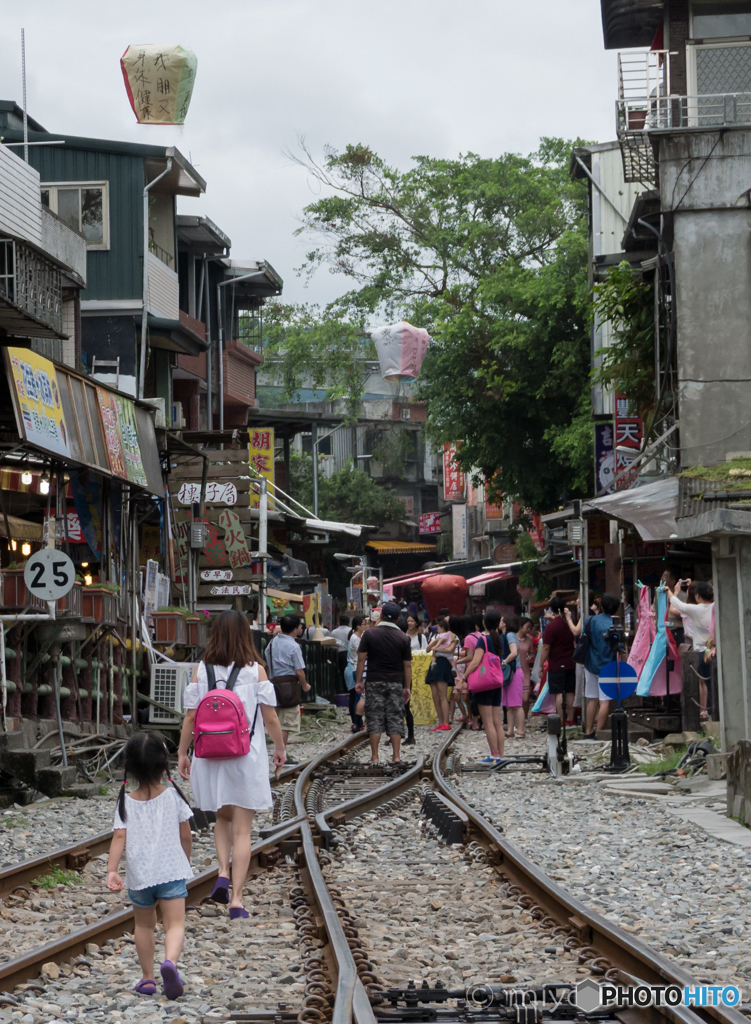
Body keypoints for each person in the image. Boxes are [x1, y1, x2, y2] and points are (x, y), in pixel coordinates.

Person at [178, 611, 285, 918]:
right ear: (244, 635)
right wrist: (279, 748)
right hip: (245, 756)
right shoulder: (256, 671)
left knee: (221, 819)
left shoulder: (202, 669)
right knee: (243, 830)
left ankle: (222, 871)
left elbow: (189, 715)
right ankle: (237, 900)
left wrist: (183, 752)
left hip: (209, 756)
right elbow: (270, 716)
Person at [107, 733, 193, 1000]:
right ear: (163, 766)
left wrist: (112, 870)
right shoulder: (173, 797)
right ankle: (170, 962)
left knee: (143, 926)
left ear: (130, 768)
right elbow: (186, 835)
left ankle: (147, 979)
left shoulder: (125, 801)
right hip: (170, 871)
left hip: (140, 876)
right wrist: (185, 861)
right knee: (175, 924)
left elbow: (119, 837)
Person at [356, 601, 412, 763]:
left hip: (374, 680)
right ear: (397, 618)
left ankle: (374, 756)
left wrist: (359, 680)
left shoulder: (369, 634)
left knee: (374, 716)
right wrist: (406, 686)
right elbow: (407, 665)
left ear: (381, 616)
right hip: (395, 681)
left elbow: (361, 659)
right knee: (395, 717)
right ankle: (396, 756)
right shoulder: (404, 638)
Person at [265, 614, 312, 757]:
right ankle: (281, 752)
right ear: (295, 629)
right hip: (289, 685)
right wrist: (305, 685)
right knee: (286, 722)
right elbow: (299, 671)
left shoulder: (272, 642)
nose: (301, 628)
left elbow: (267, 659)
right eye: (300, 626)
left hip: (274, 683)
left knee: (277, 718)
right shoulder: (294, 646)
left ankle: (277, 750)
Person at [464, 609, 506, 764]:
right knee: (497, 721)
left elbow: (475, 662)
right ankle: (501, 755)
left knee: (487, 722)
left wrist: (464, 676)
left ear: (484, 622)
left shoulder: (483, 639)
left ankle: (493, 755)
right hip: (496, 681)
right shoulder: (499, 639)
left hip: (484, 683)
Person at [669, 579, 714, 719]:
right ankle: (713, 713)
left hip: (702, 651)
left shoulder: (696, 609)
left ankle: (707, 712)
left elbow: (677, 604)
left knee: (705, 681)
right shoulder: (716, 606)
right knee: (713, 683)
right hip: (716, 649)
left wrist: (672, 591)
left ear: (698, 596)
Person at [581, 592, 621, 736]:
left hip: (590, 663)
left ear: (602, 607)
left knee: (592, 699)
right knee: (605, 701)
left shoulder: (590, 621)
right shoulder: (616, 624)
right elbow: (619, 648)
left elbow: (582, 638)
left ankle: (588, 731)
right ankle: (600, 733)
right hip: (608, 665)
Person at [541, 596, 577, 728]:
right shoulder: (569, 624)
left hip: (556, 663)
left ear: (551, 608)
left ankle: (561, 720)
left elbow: (546, 647)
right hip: (570, 662)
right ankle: (571, 718)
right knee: (569, 691)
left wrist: (540, 664)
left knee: (559, 693)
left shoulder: (551, 627)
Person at [425, 617, 457, 731]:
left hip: (443, 663)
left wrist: (437, 649)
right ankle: (440, 720)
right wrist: (434, 645)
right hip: (435, 663)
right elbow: (428, 649)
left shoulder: (453, 636)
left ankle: (445, 721)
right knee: (435, 695)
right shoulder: (437, 636)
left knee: (442, 695)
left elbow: (450, 650)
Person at [501, 615, 525, 739]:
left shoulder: (509, 635)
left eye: (501, 620)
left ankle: (520, 730)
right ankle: (510, 730)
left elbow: (514, 652)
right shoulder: (508, 635)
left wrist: (504, 661)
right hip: (509, 672)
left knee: (516, 704)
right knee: (509, 705)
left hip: (513, 672)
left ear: (505, 623)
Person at [346, 615, 366, 732]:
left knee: (357, 696)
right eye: (364, 624)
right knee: (358, 697)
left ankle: (357, 722)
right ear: (358, 626)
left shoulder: (358, 637)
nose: (365, 626)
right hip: (356, 668)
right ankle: (356, 722)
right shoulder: (355, 638)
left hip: (356, 668)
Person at [517, 616, 535, 724]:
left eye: (530, 628)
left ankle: (524, 717)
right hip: (515, 671)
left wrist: (531, 657)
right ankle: (518, 719)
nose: (529, 630)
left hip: (526, 671)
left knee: (525, 698)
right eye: (527, 627)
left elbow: (532, 652)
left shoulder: (529, 640)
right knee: (517, 698)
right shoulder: (513, 638)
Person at [330, 615, 351, 689]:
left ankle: (341, 688)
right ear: (348, 623)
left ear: (339, 622)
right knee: (349, 673)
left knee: (340, 672)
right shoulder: (350, 630)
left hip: (338, 653)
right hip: (348, 654)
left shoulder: (334, 632)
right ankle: (348, 688)